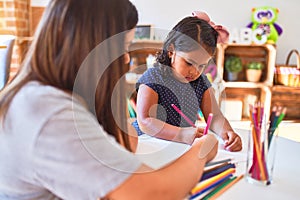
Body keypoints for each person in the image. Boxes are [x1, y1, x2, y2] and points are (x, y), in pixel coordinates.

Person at [0, 1, 218, 199]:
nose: (125, 58)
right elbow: (151, 194)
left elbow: (128, 144)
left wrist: (109, 94)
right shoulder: (48, 112)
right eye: (123, 48)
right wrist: (201, 152)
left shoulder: (55, 96)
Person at [133, 11, 242, 152]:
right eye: (189, 63)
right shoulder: (154, 77)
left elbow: (214, 116)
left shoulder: (200, 82)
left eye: (202, 65)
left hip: (181, 147)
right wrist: (181, 134)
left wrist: (228, 134)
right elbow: (145, 121)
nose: (195, 71)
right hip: (147, 146)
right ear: (171, 50)